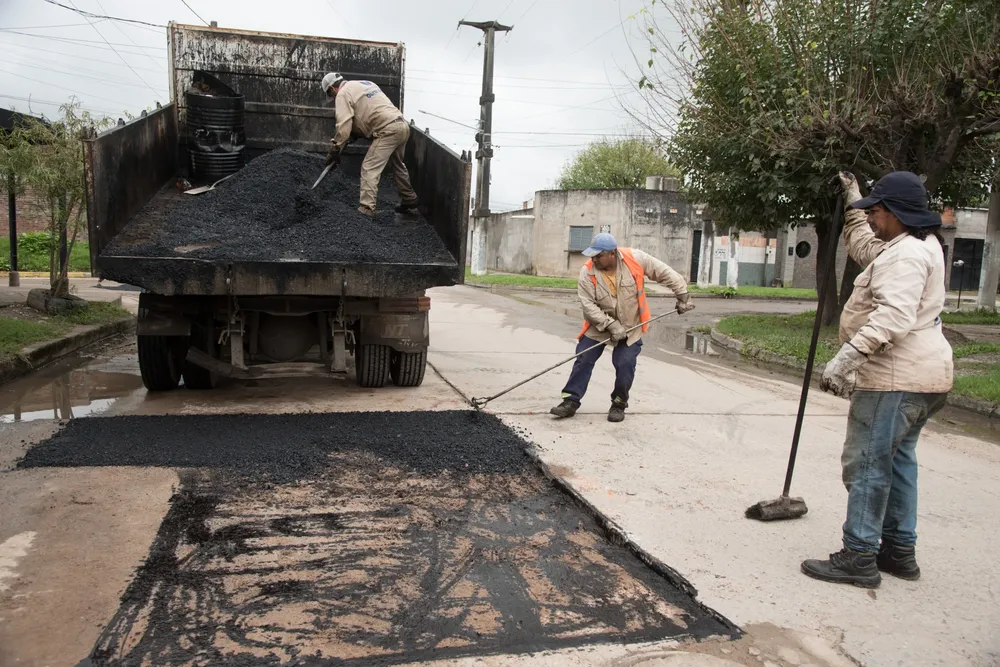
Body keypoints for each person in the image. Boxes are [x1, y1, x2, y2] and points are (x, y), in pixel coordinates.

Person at [801, 171, 953, 588]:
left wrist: (847, 358)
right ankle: (899, 551)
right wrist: (854, 198)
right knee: (899, 463)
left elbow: (894, 317)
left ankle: (859, 555)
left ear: (895, 213)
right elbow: (867, 248)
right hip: (926, 377)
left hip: (894, 379)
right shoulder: (920, 245)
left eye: (877, 210)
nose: (872, 218)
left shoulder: (904, 257)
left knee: (866, 465)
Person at [549, 232, 694, 423]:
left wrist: (682, 295)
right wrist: (611, 325)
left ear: (612, 253)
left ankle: (618, 403)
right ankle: (570, 402)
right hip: (599, 325)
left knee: (625, 363)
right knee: (583, 357)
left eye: (598, 255)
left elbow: (665, 272)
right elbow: (588, 306)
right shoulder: (588, 272)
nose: (594, 259)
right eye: (592, 255)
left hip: (632, 324)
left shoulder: (635, 259)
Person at [320, 72, 420, 218]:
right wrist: (356, 133)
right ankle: (409, 198)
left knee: (369, 167)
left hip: (387, 130)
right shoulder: (365, 84)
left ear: (332, 89)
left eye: (330, 95)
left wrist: (335, 149)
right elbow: (370, 111)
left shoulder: (342, 94)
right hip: (401, 125)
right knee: (397, 164)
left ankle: (366, 210)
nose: (333, 98)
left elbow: (343, 127)